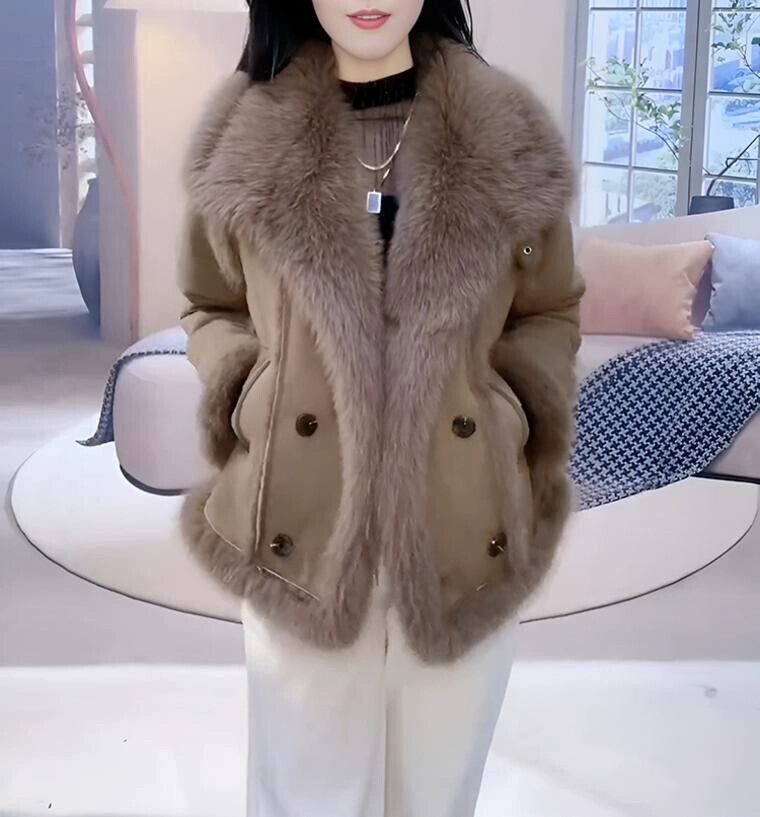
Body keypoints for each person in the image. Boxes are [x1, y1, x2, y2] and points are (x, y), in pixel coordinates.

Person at [176, 1, 585, 815]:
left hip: (463, 527)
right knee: (303, 795)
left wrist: (507, 412)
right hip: (300, 529)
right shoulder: (243, 135)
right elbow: (210, 301)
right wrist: (253, 392)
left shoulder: (507, 136)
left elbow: (548, 309)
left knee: (436, 794)